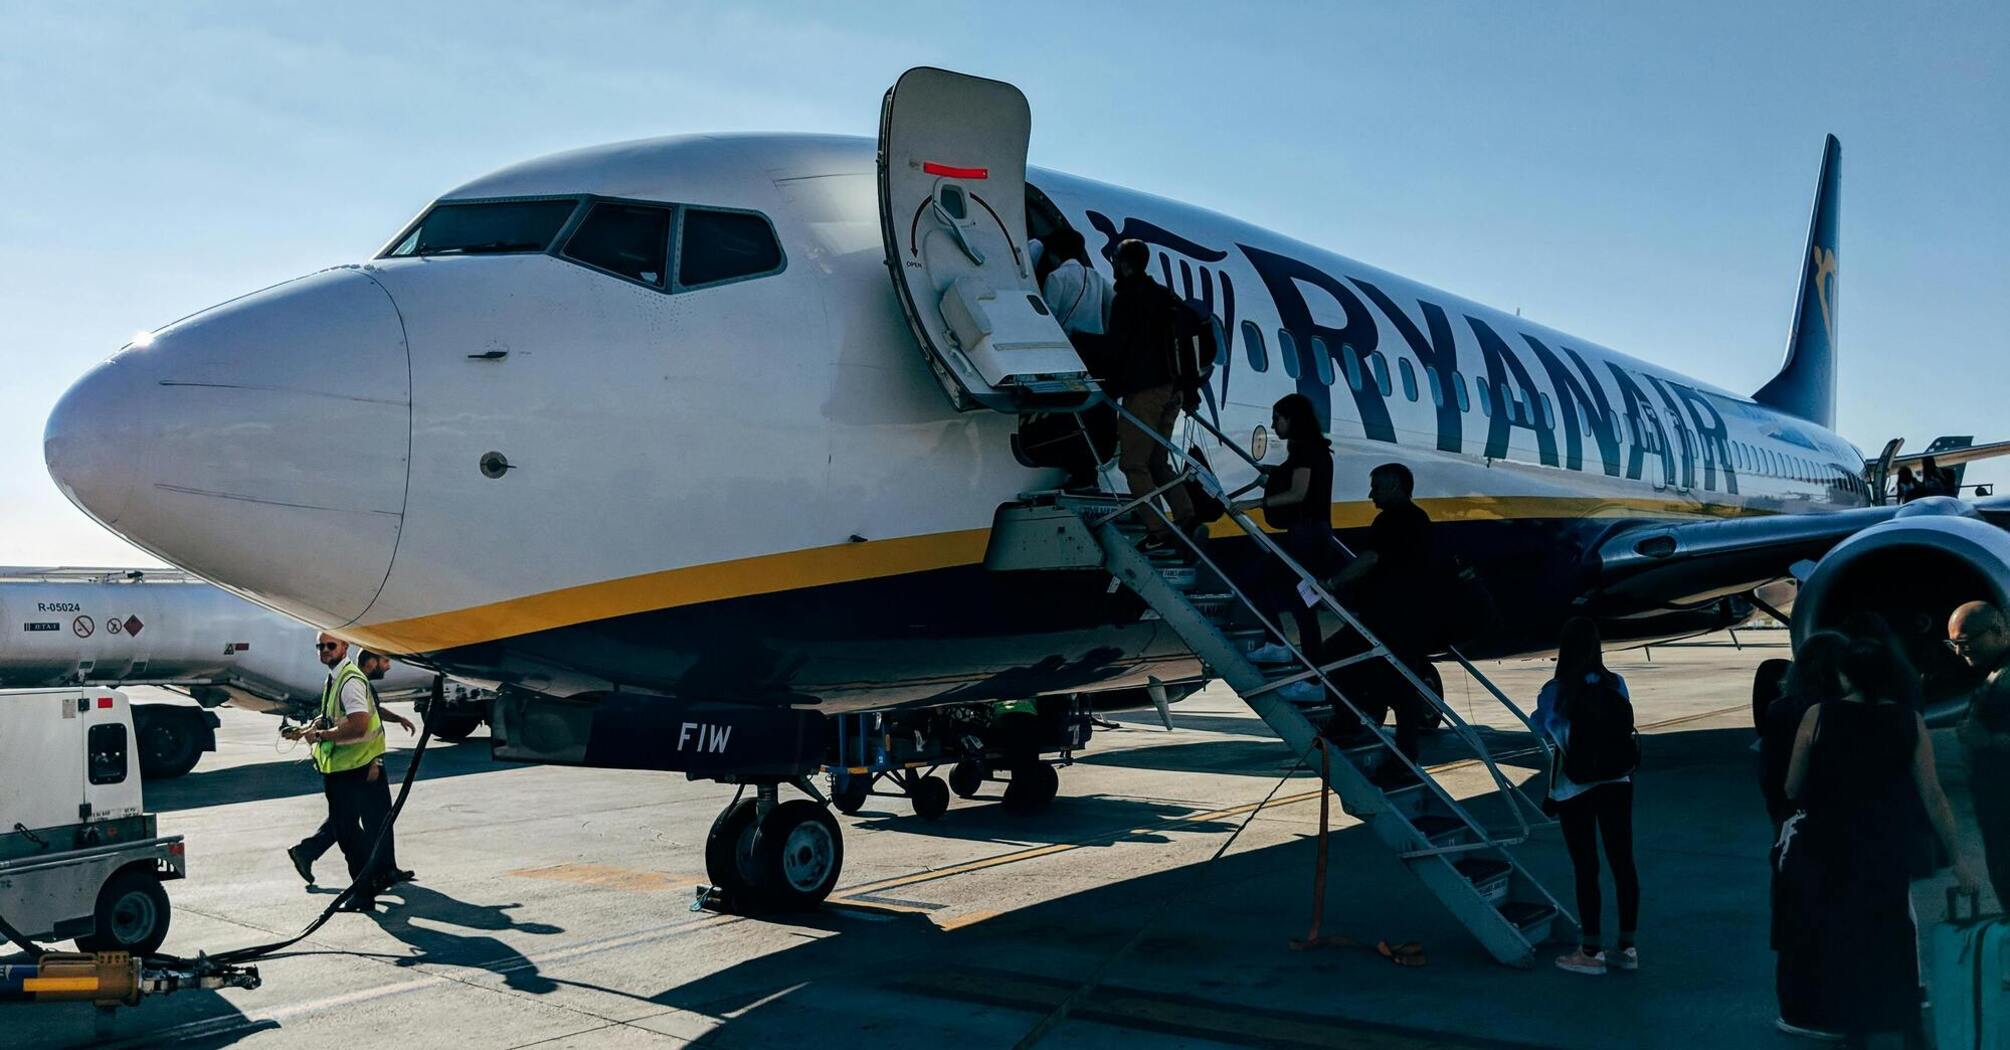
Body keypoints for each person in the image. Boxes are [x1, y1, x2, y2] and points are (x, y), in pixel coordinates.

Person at [1785, 638, 1981, 1046]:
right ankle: (1909, 1026)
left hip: (1832, 845)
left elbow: (1792, 786)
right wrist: (1959, 857)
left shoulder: (1818, 716)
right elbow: (1932, 793)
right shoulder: (1908, 720)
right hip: (1889, 843)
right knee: (1894, 935)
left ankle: (1856, 1028)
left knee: (1844, 935)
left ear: (1845, 674)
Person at [1535, 617, 1641, 975]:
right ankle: (1627, 948)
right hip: (1617, 782)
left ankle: (1591, 951)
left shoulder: (1555, 691)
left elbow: (1543, 728)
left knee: (1586, 868)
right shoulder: (1617, 683)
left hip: (1575, 787)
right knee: (1623, 863)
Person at [1760, 631, 1850, 1038]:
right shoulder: (1852, 711)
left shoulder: (1782, 710)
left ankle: (1797, 1011)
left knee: (1794, 923)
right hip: (1844, 829)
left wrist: (1780, 818)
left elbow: (1774, 780)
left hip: (1795, 825)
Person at [1325, 462, 1436, 773]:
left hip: (1388, 616)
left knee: (1332, 657)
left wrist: (1334, 584)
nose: (1370, 494)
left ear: (1394, 487)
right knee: (1401, 687)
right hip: (1410, 614)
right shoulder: (1419, 520)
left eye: (1375, 487)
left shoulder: (1391, 520)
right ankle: (1402, 751)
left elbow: (1371, 558)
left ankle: (1351, 718)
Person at [281, 634, 398, 911]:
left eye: (330, 645)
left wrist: (320, 735)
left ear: (345, 647)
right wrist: (307, 730)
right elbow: (336, 719)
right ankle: (369, 885)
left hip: (352, 769)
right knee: (349, 831)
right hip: (345, 768)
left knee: (349, 833)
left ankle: (365, 891)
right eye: (320, 646)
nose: (324, 650)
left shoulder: (349, 681)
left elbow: (359, 726)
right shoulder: (335, 679)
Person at [1235, 394, 1336, 705]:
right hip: (1313, 534)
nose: (1273, 424)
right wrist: (1274, 472)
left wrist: (1254, 503)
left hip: (1305, 534)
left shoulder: (1304, 449)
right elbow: (1298, 478)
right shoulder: (1313, 450)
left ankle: (1294, 659)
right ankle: (1308, 673)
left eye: (1277, 418)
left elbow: (1298, 493)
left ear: (1293, 419)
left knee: (1256, 582)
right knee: (1298, 604)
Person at [287, 657, 418, 887]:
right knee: (360, 819)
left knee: (359, 818)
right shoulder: (354, 683)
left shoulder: (346, 681)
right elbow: (363, 729)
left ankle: (383, 868)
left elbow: (369, 712)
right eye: (384, 661)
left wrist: (397, 718)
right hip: (361, 763)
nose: (388, 667)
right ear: (370, 663)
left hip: (353, 763)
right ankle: (371, 872)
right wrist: (374, 763)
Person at [1105, 238, 1197, 548]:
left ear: (1125, 264)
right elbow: (1187, 343)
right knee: (1158, 461)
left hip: (1144, 391)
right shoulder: (1165, 297)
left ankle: (1158, 530)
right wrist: (1190, 389)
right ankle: (1186, 516)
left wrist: (1108, 388)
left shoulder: (1127, 300)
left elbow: (1117, 348)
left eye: (1115, 260)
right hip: (1173, 390)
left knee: (1133, 464)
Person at [1951, 600, 2010, 905]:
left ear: (1998, 631)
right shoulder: (1996, 672)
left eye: (1965, 642)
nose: (1960, 652)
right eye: (1953, 644)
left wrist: (1988, 740)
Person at [1037, 228, 1112, 338]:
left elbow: (1050, 315)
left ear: (1055, 252)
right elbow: (1110, 299)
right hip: (1095, 341)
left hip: (1068, 340)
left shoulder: (1056, 277)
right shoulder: (1096, 276)